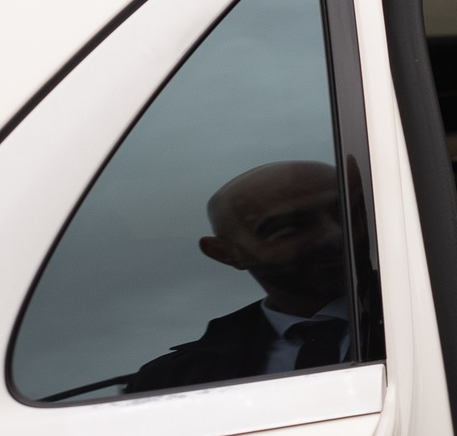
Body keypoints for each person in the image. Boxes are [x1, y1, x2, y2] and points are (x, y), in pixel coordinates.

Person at [125, 159, 352, 391]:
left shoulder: (390, 324)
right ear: (226, 254)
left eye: (347, 213)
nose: (333, 234)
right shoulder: (168, 383)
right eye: (289, 228)